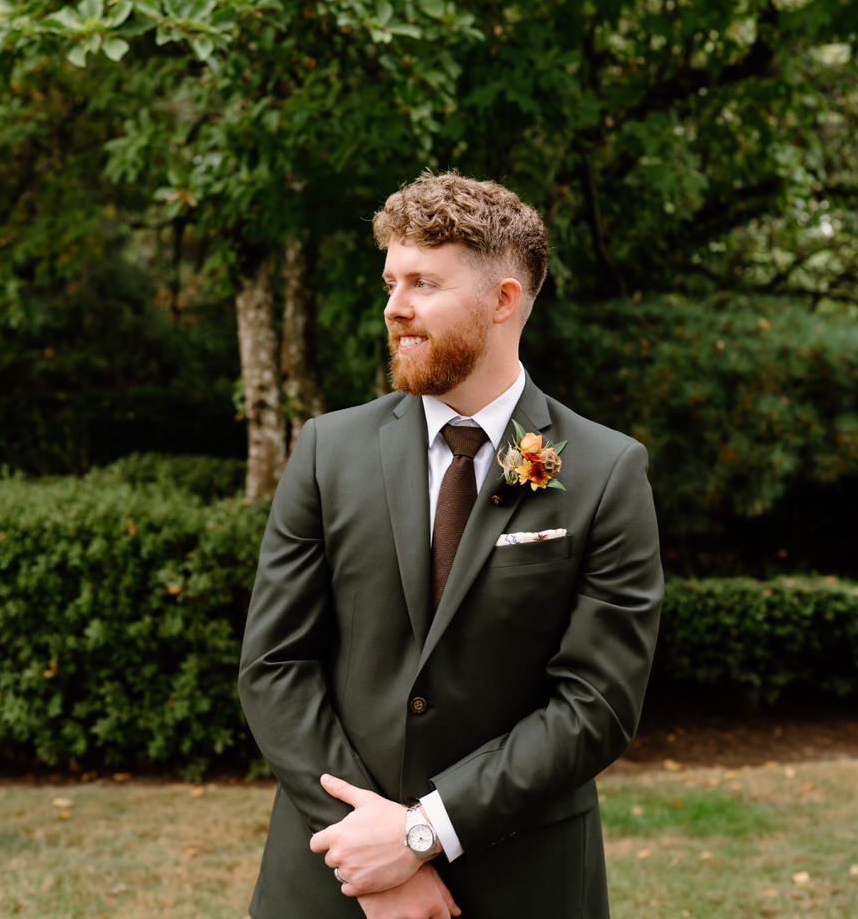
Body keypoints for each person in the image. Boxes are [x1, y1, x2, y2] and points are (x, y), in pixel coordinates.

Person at [237, 171, 663, 919]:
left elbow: (595, 704)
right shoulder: (328, 450)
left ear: (504, 300)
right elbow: (274, 667)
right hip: (334, 879)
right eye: (390, 283)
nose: (394, 307)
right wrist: (373, 856)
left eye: (424, 284)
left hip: (524, 884)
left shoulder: (605, 471)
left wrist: (424, 833)